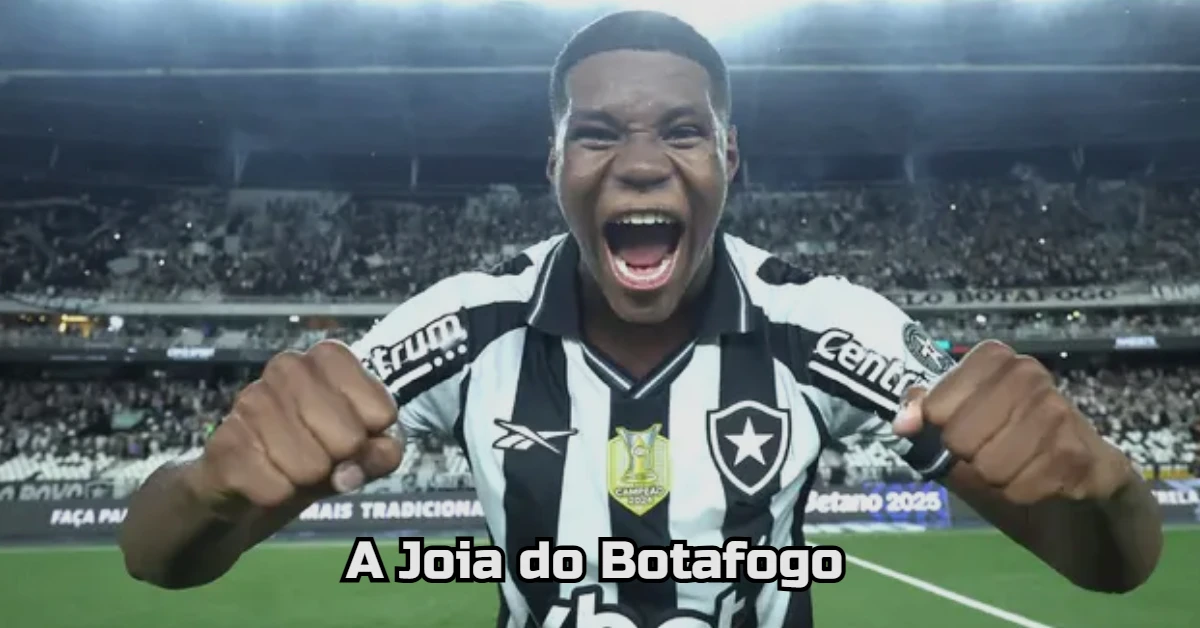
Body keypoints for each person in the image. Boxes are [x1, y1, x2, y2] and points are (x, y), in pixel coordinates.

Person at [119, 10, 1162, 628]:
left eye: (682, 131)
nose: (642, 163)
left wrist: (1104, 486)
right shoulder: (469, 323)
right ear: (553, 164)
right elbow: (155, 554)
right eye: (597, 134)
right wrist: (210, 488)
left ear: (729, 159)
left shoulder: (822, 325)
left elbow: (1110, 565)